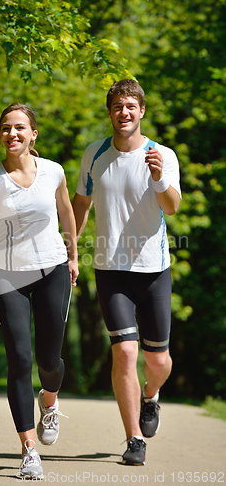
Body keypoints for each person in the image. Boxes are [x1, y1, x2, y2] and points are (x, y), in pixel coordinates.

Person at [72, 80, 181, 466]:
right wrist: (69, 248)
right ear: (110, 112)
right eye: (118, 106)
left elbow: (173, 206)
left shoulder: (161, 154)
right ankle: (134, 438)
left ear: (142, 111)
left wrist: (159, 177)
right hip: (110, 269)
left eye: (131, 105)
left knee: (158, 361)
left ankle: (151, 395)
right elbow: (81, 204)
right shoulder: (95, 154)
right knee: (124, 352)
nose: (124, 112)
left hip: (153, 269)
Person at [0, 103, 78, 479]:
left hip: (52, 269)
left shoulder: (53, 171)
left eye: (20, 127)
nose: (12, 134)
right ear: (0, 135)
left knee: (49, 361)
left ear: (34, 133)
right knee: (19, 359)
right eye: (6, 128)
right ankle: (29, 449)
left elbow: (66, 212)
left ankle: (48, 401)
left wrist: (73, 256)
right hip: (6, 275)